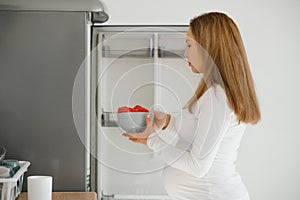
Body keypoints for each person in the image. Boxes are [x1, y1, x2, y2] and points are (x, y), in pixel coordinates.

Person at [123, 12, 261, 200]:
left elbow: (197, 166)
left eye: (189, 45)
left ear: (208, 48)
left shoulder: (217, 97)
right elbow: (194, 143)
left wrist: (152, 141)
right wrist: (167, 124)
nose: (185, 52)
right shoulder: (214, 93)